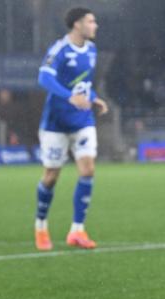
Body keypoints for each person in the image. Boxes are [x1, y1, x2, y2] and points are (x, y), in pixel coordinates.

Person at [34, 7, 109, 251]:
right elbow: (44, 78)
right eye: (91, 20)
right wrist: (69, 97)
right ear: (77, 24)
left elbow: (83, 83)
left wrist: (94, 97)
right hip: (56, 123)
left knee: (87, 170)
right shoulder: (59, 49)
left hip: (83, 120)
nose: (95, 25)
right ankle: (41, 225)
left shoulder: (92, 49)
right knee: (51, 176)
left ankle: (77, 230)